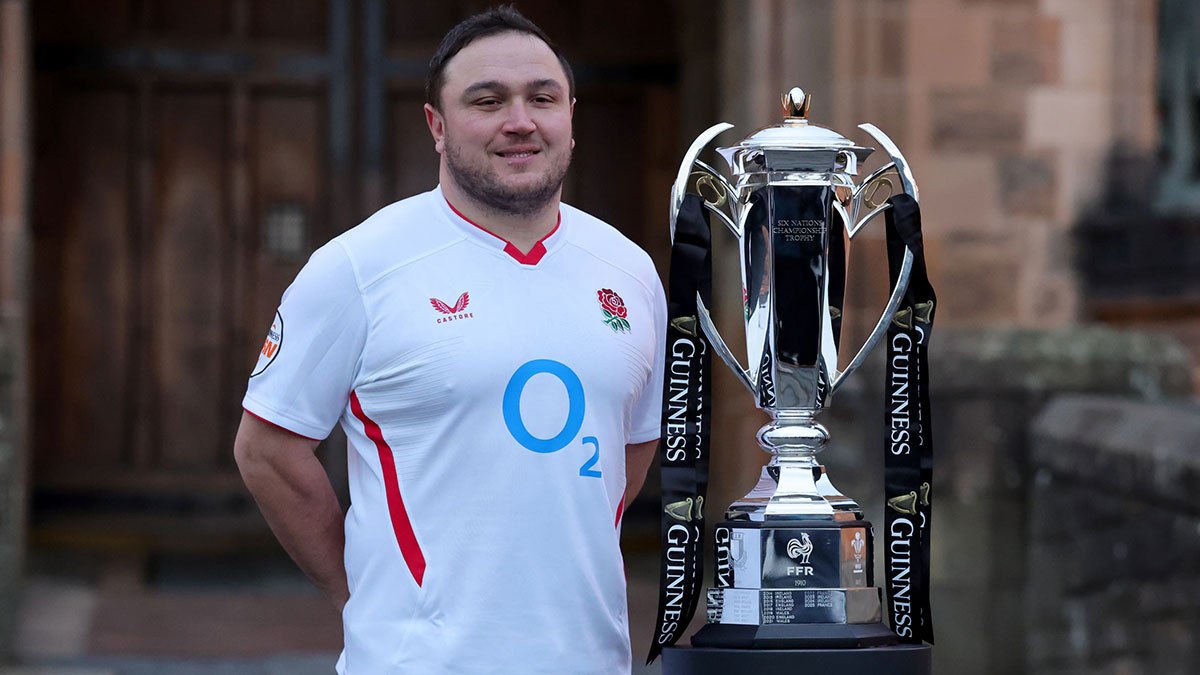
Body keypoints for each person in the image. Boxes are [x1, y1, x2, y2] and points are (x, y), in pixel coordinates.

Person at [233, 6, 665, 674]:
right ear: (437, 126)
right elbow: (266, 448)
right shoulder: (358, 269)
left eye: (541, 99)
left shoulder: (629, 272)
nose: (519, 121)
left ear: (570, 117)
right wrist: (361, 591)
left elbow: (629, 450)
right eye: (487, 101)